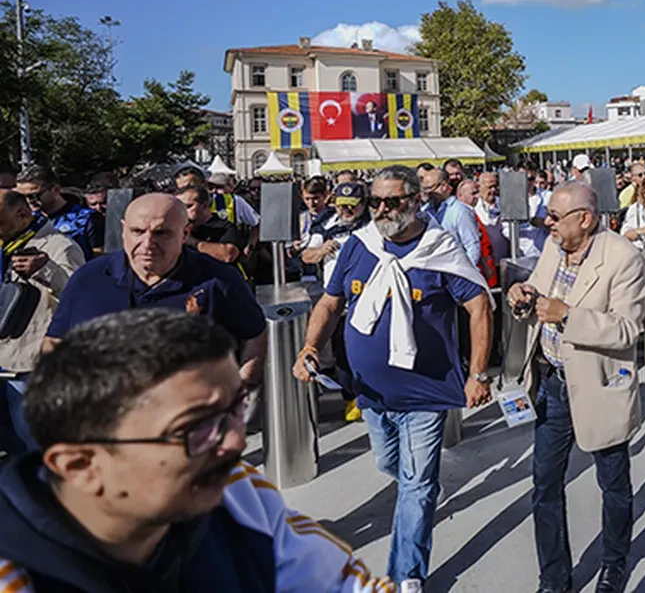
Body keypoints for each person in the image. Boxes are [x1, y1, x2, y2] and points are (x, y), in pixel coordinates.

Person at [0, 309, 392, 592]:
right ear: (81, 464)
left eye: (236, 409)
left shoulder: (238, 496)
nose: (237, 443)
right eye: (196, 427)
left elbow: (342, 583)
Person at [293, 166, 493, 589]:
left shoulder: (441, 248)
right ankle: (420, 493)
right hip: (370, 392)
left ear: (416, 201)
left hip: (426, 392)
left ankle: (407, 575)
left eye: (393, 201)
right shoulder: (358, 245)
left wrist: (477, 373)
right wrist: (310, 346)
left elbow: (479, 306)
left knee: (416, 487)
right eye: (376, 201)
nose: (382, 209)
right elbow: (330, 304)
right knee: (392, 465)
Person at [507, 182, 645, 593]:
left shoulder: (622, 258)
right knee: (545, 485)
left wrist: (566, 315)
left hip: (599, 387)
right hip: (552, 383)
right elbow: (538, 290)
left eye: (554, 216)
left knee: (614, 486)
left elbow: (627, 329)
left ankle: (613, 566)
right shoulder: (555, 245)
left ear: (584, 219)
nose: (546, 222)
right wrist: (524, 294)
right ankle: (554, 578)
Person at [45, 194, 267, 390]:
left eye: (162, 233)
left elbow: (254, 336)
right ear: (123, 230)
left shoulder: (219, 280)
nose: (147, 243)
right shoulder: (88, 279)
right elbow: (54, 343)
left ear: (185, 233)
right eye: (137, 231)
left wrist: (239, 393)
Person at [0, 189, 85, 455]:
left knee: (34, 446)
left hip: (29, 368)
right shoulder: (6, 246)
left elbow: (79, 297)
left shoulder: (60, 246)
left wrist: (47, 270)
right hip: (4, 362)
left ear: (23, 215)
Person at [300, 181, 370, 423]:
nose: (346, 211)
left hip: (371, 296)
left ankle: (373, 396)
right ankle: (351, 398)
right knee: (343, 353)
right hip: (338, 298)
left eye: (352, 206)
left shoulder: (373, 223)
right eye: (342, 206)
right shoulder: (325, 224)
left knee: (370, 348)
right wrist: (321, 250)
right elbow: (307, 255)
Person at [15, 165, 103, 259]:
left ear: (56, 190)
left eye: (34, 196)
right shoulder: (28, 220)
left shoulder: (86, 218)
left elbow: (100, 258)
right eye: (21, 197)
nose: (28, 201)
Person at [419, 168, 483, 267]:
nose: (427, 192)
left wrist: (465, 273)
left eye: (430, 188)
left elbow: (472, 246)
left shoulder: (460, 211)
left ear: (443, 186)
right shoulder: (425, 211)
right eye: (424, 189)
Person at [175, 184, 247, 268]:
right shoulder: (176, 227)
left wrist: (193, 242)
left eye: (188, 206)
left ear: (205, 205)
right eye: (179, 207)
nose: (183, 211)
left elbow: (228, 255)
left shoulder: (224, 226)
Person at [473, 171, 510, 261]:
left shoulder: (504, 204)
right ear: (479, 187)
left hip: (503, 259)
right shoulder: (474, 207)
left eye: (495, 186)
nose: (493, 190)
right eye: (489, 187)